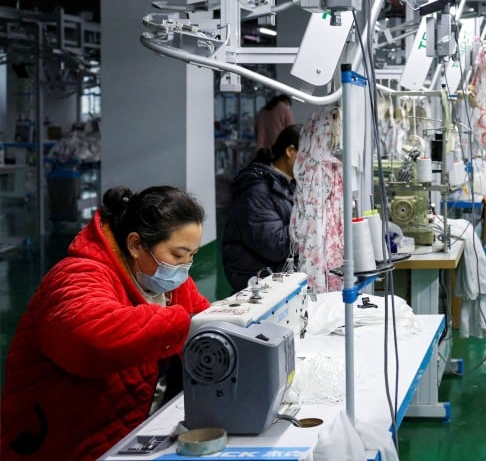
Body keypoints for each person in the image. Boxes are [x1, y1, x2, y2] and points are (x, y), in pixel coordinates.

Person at [1, 186, 209, 460]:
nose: (184, 267)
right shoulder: (77, 275)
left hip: (128, 433)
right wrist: (183, 323)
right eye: (178, 255)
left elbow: (208, 321)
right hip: (63, 444)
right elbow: (91, 338)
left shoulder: (172, 285)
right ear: (136, 245)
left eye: (192, 256)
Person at [222, 124, 300, 292]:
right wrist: (310, 222)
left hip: (274, 272)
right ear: (290, 151)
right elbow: (275, 246)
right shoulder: (257, 191)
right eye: (308, 156)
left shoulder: (286, 184)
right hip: (256, 277)